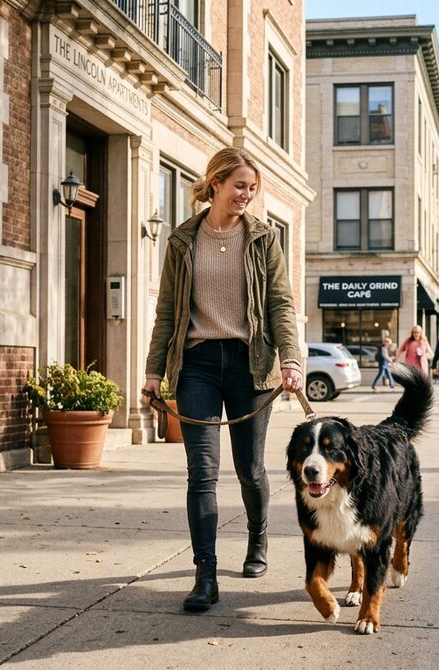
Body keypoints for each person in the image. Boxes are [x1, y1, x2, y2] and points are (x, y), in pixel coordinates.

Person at [142, 147, 303, 613]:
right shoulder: (181, 240)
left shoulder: (264, 239)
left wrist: (290, 359)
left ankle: (258, 537)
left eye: (252, 189)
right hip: (197, 365)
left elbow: (280, 304)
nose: (246, 196)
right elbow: (168, 312)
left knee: (250, 469)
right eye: (239, 186)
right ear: (214, 184)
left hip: (250, 363)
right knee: (202, 472)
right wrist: (154, 371)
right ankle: (205, 574)